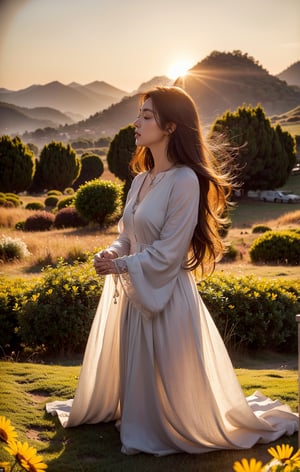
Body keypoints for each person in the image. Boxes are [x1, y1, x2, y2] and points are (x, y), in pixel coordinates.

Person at [46, 86, 297, 456]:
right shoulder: (140, 180)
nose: (136, 122)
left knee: (173, 402)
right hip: (135, 290)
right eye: (139, 114)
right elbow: (127, 236)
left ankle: (168, 421)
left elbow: (170, 252)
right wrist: (110, 253)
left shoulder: (185, 180)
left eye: (147, 116)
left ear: (171, 126)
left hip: (167, 296)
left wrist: (120, 265)